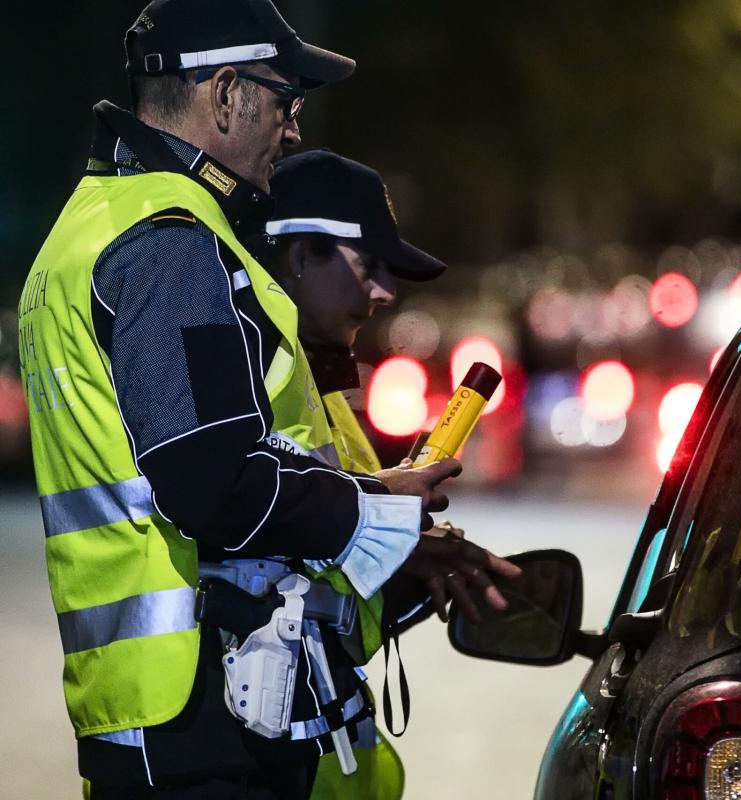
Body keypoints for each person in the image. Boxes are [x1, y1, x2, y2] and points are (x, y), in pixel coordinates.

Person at [17, 1, 519, 797]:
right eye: (286, 101)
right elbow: (213, 478)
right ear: (224, 93)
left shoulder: (85, 230)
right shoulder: (170, 242)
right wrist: (377, 507)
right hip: (200, 707)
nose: (292, 131)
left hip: (149, 705)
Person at [259, 149, 464, 799]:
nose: (384, 292)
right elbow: (252, 535)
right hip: (269, 743)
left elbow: (323, 567)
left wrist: (408, 555)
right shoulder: (249, 370)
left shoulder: (322, 379)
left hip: (317, 734)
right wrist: (381, 508)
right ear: (298, 257)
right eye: (367, 267)